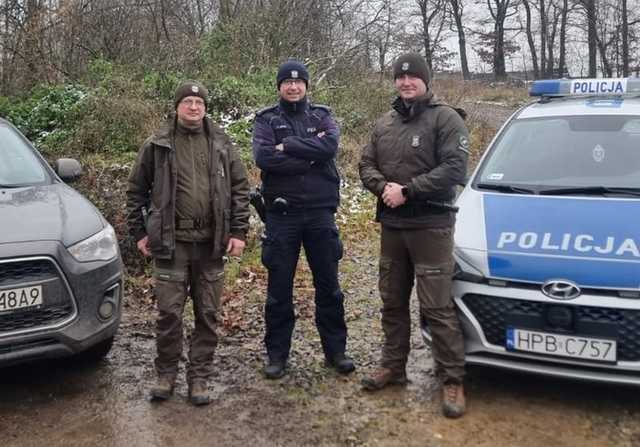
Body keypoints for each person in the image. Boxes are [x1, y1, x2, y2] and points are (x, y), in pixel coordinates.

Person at [126, 80, 250, 405]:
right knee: (169, 314)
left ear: (206, 108)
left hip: (211, 244)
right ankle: (165, 375)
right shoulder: (157, 144)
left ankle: (199, 378)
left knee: (208, 314)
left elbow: (240, 188)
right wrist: (139, 233)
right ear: (177, 106)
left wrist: (238, 232)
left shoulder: (222, 144)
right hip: (171, 243)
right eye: (188, 101)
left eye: (199, 102)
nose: (194, 107)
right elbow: (135, 191)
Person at [358, 53, 469, 418]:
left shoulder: (446, 119)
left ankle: (452, 379)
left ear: (426, 80)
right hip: (393, 227)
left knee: (436, 307)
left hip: (431, 226)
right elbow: (365, 163)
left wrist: (407, 190)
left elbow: (454, 169)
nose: (406, 83)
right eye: (400, 78)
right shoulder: (385, 122)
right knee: (391, 300)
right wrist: (383, 188)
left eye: (413, 78)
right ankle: (393, 366)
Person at [252, 59, 355, 379]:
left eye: (299, 82)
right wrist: (310, 158)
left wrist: (291, 146)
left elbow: (330, 146)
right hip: (282, 216)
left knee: (329, 286)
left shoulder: (322, 116)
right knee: (278, 290)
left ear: (307, 86)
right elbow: (265, 157)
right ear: (279, 86)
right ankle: (277, 355)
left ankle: (336, 351)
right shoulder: (266, 120)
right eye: (287, 82)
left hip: (320, 214)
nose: (293, 87)